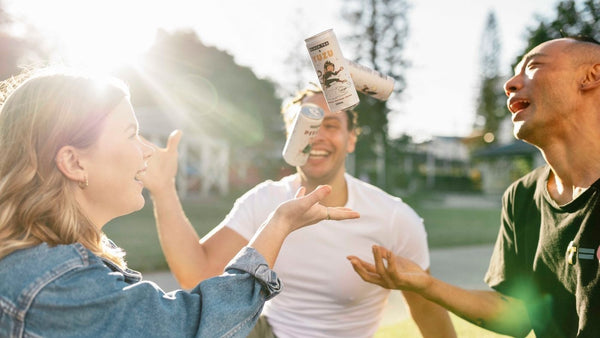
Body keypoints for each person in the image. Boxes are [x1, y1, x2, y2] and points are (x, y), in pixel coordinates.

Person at [0, 68, 359, 338]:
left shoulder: (54, 265)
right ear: (74, 163)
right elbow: (192, 323)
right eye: (130, 134)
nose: (147, 149)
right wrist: (279, 224)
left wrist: (164, 188)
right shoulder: (56, 285)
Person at [142, 85, 455, 337]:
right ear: (290, 136)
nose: (316, 135)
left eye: (330, 125)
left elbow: (427, 310)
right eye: (305, 124)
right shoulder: (264, 199)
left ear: (351, 140)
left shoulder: (394, 218)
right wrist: (163, 188)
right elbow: (195, 273)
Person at [348, 36, 600, 337]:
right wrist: (425, 284)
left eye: (533, 67)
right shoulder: (522, 198)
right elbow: (517, 314)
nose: (510, 84)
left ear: (591, 76)